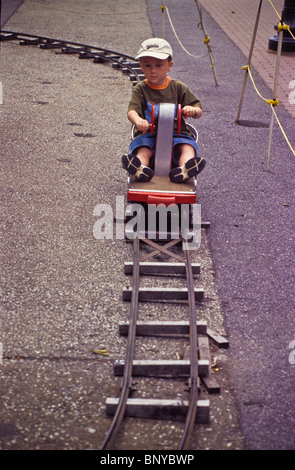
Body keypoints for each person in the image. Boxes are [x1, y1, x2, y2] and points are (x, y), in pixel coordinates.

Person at [122, 38, 206, 183]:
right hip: (148, 134)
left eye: (159, 65)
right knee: (144, 150)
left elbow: (199, 110)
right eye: (147, 65)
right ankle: (139, 168)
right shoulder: (141, 89)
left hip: (177, 133)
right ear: (141, 66)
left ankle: (185, 170)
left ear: (169, 66)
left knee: (187, 147)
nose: (153, 70)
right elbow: (132, 111)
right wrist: (138, 121)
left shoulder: (178, 87)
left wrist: (192, 110)